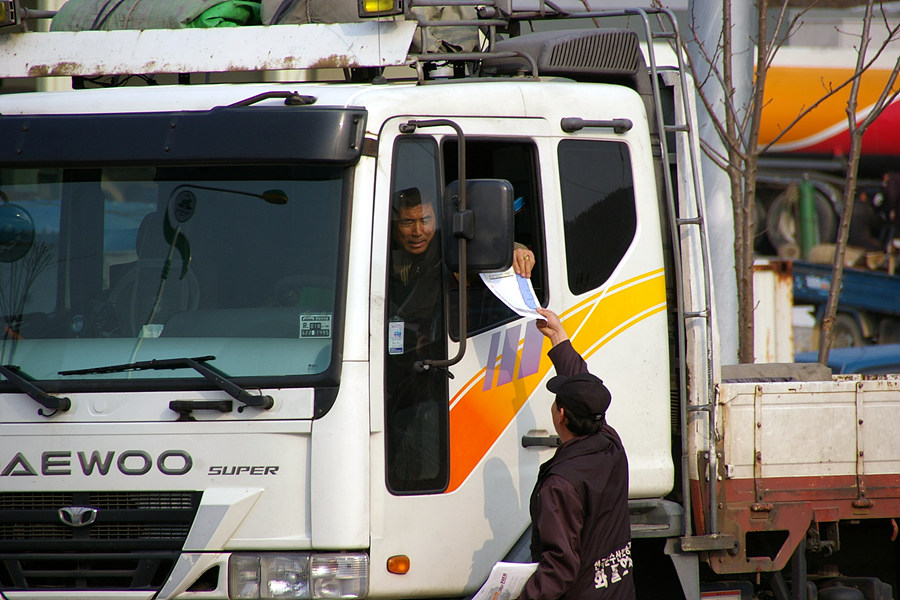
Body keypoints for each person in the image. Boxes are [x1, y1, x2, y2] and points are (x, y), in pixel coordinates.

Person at [517, 307, 635, 600]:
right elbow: (585, 388)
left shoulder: (560, 484)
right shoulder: (610, 443)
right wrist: (558, 336)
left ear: (561, 415)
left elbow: (559, 568)